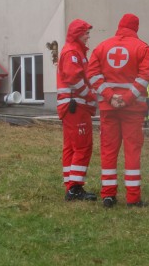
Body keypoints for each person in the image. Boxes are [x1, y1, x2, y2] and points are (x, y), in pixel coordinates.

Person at [87, 13, 149, 208]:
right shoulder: (142, 48)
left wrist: (109, 96)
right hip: (132, 110)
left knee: (108, 151)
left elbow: (92, 75)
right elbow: (144, 77)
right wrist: (126, 99)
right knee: (132, 151)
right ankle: (133, 198)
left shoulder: (102, 47)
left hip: (109, 108)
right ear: (136, 28)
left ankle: (108, 196)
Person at [57, 19, 98, 201]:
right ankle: (75, 188)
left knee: (71, 147)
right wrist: (90, 95)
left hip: (71, 106)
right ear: (78, 34)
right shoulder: (73, 51)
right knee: (83, 146)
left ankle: (70, 185)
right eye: (86, 33)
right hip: (76, 105)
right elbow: (74, 78)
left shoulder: (74, 50)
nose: (88, 36)